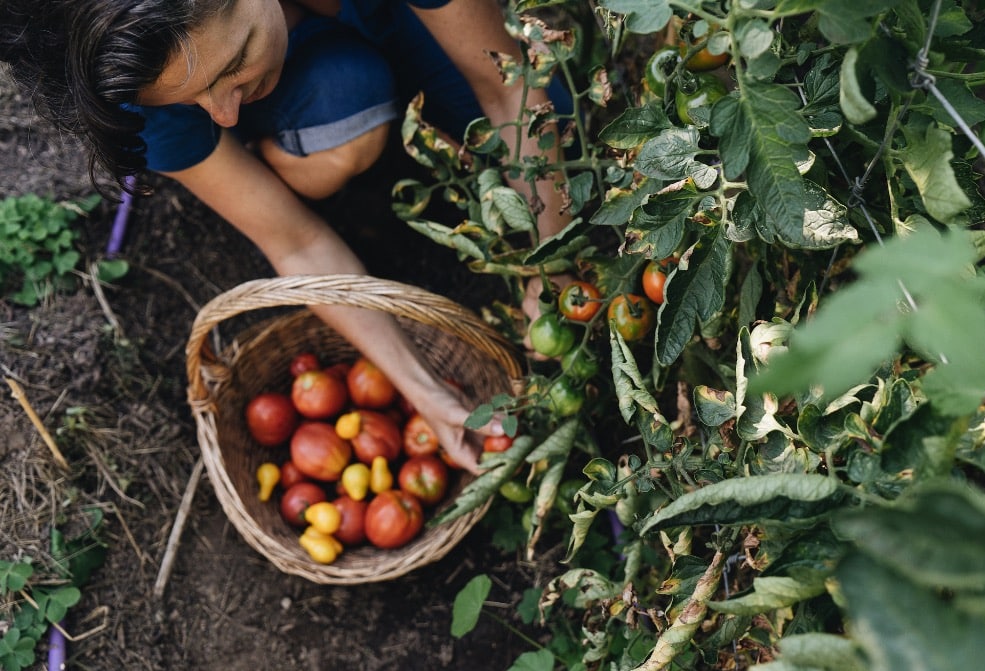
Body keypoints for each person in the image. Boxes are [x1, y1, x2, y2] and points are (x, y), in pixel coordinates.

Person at [0, 0, 574, 471]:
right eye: (191, 100)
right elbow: (296, 242)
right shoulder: (128, 81)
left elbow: (509, 95)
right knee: (347, 107)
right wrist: (424, 392)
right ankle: (303, 134)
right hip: (315, 61)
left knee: (557, 129)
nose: (221, 115)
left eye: (232, 68)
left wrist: (549, 268)